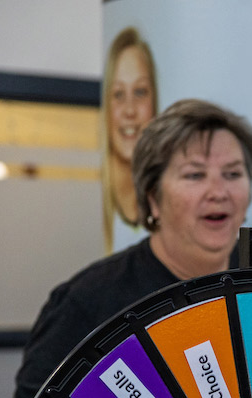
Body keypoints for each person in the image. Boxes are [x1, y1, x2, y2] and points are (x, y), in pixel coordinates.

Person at [9, 99, 252, 398]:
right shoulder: (87, 303)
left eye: (232, 174)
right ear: (152, 198)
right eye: (195, 175)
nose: (219, 192)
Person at [102, 27, 158, 251]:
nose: (129, 110)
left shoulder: (168, 206)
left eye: (140, 92)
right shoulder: (92, 206)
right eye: (118, 94)